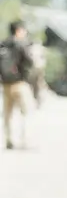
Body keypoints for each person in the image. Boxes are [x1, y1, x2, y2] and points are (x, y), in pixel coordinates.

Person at [0, 21, 34, 149]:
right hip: (20, 83)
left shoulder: (3, 44)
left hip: (5, 84)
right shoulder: (21, 44)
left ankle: (9, 139)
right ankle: (25, 140)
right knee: (27, 111)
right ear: (18, 30)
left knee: (8, 114)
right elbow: (29, 61)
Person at [28, 42, 47, 108]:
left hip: (37, 69)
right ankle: (36, 100)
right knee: (35, 86)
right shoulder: (37, 50)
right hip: (35, 69)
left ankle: (38, 100)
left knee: (38, 85)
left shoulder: (33, 49)